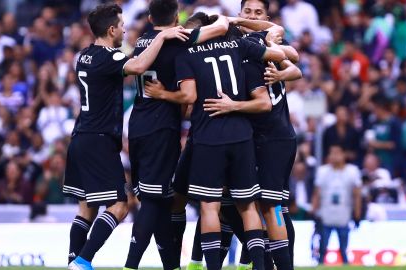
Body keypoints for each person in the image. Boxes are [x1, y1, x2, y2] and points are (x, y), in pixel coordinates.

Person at [145, 15, 287, 269]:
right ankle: (259, 265)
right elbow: (267, 93)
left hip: (209, 137)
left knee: (209, 207)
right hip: (243, 136)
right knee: (248, 208)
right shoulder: (239, 47)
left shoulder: (186, 56)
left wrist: (162, 94)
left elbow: (189, 98)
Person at [64, 4, 190, 270]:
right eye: (121, 25)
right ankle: (83, 260)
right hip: (99, 140)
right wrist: (162, 36)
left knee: (86, 209)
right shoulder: (109, 58)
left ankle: (72, 262)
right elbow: (139, 64)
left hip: (80, 138)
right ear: (111, 30)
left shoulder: (84, 56)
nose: (124, 29)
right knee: (120, 206)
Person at [124, 1, 229, 269]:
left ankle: (172, 266)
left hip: (137, 126)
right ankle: (130, 265)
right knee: (152, 200)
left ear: (149, 17)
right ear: (176, 17)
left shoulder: (142, 41)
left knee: (158, 198)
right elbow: (189, 95)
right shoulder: (178, 44)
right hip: (160, 128)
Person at [203, 1, 302, 269]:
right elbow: (293, 61)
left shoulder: (260, 44)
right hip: (252, 137)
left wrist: (282, 72)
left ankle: (279, 264)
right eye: (248, 12)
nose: (252, 16)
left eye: (258, 13)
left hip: (273, 136)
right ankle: (254, 261)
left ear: (265, 17)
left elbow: (294, 61)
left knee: (273, 208)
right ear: (239, 13)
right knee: (244, 204)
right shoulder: (241, 45)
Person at [311, 144, 362, 265]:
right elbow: (316, 193)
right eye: (331, 153)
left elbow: (357, 195)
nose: (334, 156)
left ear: (344, 155)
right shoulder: (322, 171)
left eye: (337, 153)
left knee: (344, 249)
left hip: (344, 216)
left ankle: (345, 265)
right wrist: (313, 212)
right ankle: (320, 265)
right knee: (322, 248)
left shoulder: (352, 171)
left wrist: (357, 214)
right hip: (325, 215)